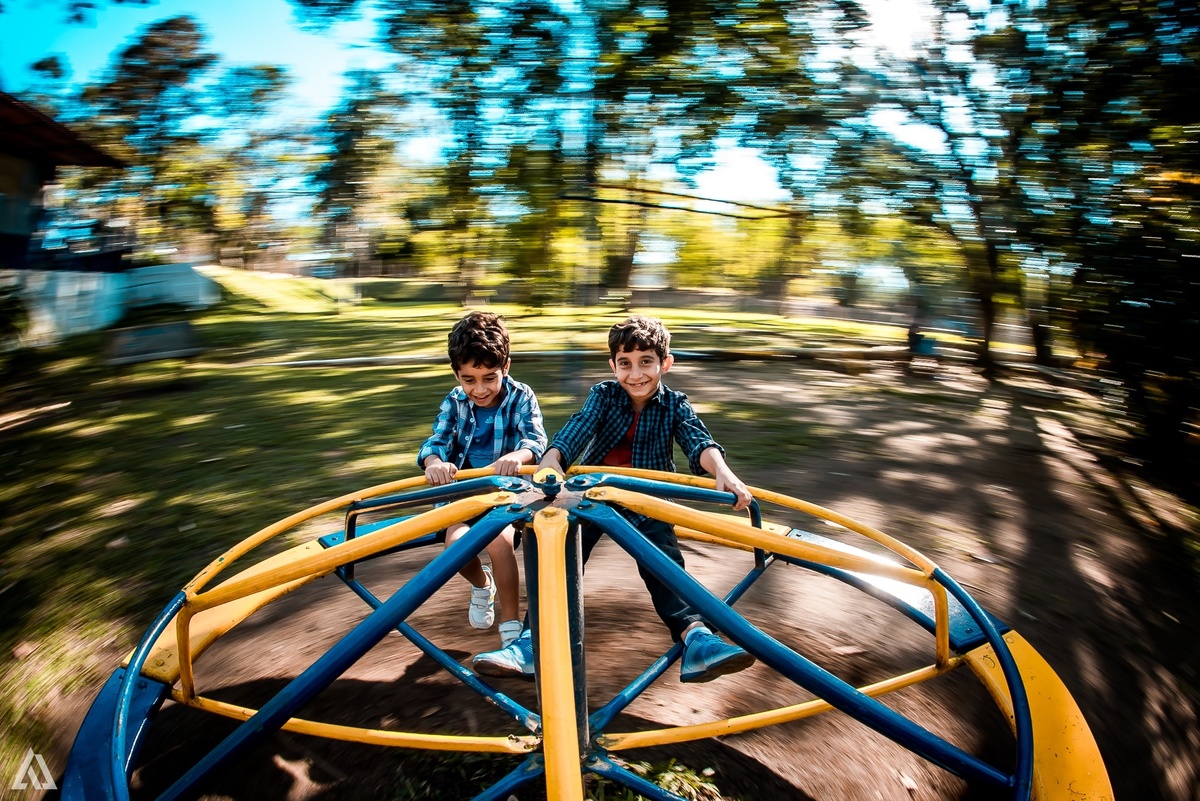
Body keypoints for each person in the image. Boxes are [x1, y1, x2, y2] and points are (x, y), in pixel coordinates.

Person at [472, 314, 757, 683]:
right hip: (593, 497)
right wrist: (552, 460)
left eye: (646, 362)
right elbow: (578, 427)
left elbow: (697, 440)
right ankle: (531, 644)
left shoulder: (675, 405)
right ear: (613, 365)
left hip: (643, 499)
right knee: (560, 555)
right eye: (625, 363)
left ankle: (698, 640)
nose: (635, 374)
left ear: (665, 363)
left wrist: (723, 472)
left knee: (664, 564)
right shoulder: (604, 395)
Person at [417, 311, 548, 648]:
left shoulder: (521, 396)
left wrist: (518, 457)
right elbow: (436, 442)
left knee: (499, 541)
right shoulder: (454, 401)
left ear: (506, 366)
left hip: (507, 495)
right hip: (465, 496)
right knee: (456, 547)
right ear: (456, 374)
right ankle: (482, 584)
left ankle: (510, 626)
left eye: (490, 378)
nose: (479, 389)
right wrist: (434, 462)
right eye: (469, 379)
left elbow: (536, 440)